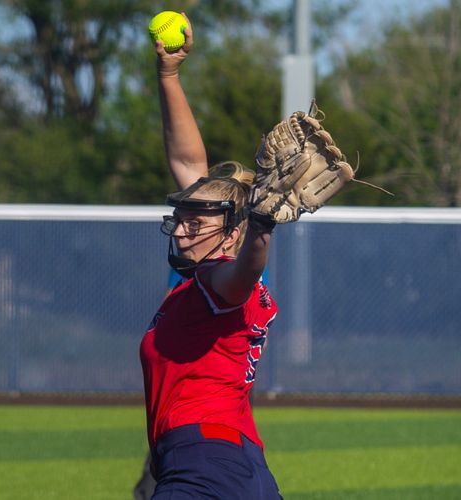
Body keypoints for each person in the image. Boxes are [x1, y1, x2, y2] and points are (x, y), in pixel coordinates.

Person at [139, 14, 282, 499]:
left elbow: (245, 270)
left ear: (231, 234)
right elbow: (187, 164)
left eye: (194, 224)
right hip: (241, 463)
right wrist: (169, 75)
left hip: (204, 463)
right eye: (180, 219)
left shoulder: (219, 280)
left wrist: (262, 226)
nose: (181, 230)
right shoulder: (205, 275)